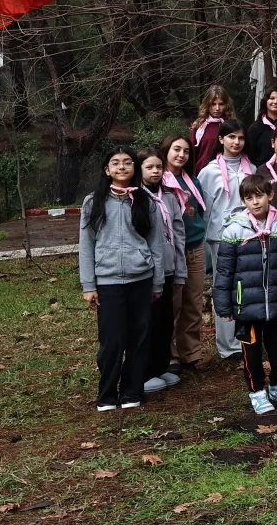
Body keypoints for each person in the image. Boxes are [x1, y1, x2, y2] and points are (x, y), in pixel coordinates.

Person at [213, 173, 277, 413]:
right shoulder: (234, 230)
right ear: (243, 201)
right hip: (247, 307)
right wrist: (224, 305)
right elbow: (224, 272)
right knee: (251, 353)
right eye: (249, 198)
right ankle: (256, 390)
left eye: (259, 196)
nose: (255, 202)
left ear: (270, 195)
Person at [79, 147, 165, 411]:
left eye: (127, 162)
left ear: (134, 168)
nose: (122, 167)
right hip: (108, 281)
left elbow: (156, 243)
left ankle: (131, 392)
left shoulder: (145, 201)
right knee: (112, 341)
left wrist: (157, 282)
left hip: (141, 278)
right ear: (107, 170)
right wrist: (88, 285)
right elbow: (86, 244)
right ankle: (106, 395)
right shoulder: (93, 202)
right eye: (115, 163)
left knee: (139, 339)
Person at [197, 119, 255, 360]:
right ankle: (228, 345)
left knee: (247, 286)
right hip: (220, 237)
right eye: (231, 137)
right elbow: (204, 208)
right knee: (225, 287)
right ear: (221, 139)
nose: (236, 142)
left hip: (249, 235)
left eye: (240, 138)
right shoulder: (209, 172)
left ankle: (247, 338)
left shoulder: (251, 168)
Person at [159, 135, 207, 379]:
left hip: (195, 247)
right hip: (172, 251)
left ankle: (191, 351)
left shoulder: (193, 181)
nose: (181, 155)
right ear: (166, 150)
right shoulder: (159, 180)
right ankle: (170, 354)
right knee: (173, 304)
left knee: (193, 302)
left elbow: (198, 212)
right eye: (176, 149)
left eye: (186, 151)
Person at [138, 149, 185, 395]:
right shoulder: (136, 197)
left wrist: (180, 268)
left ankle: (160, 365)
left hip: (168, 268)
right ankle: (144, 372)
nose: (155, 171)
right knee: (148, 322)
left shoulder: (168, 196)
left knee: (165, 322)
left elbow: (178, 232)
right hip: (146, 271)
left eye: (158, 167)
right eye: (149, 167)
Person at [189, 84, 235, 174]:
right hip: (202, 172)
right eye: (213, 104)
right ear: (207, 104)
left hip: (226, 172)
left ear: (226, 105)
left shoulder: (231, 126)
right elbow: (191, 153)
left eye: (221, 104)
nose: (217, 108)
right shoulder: (199, 126)